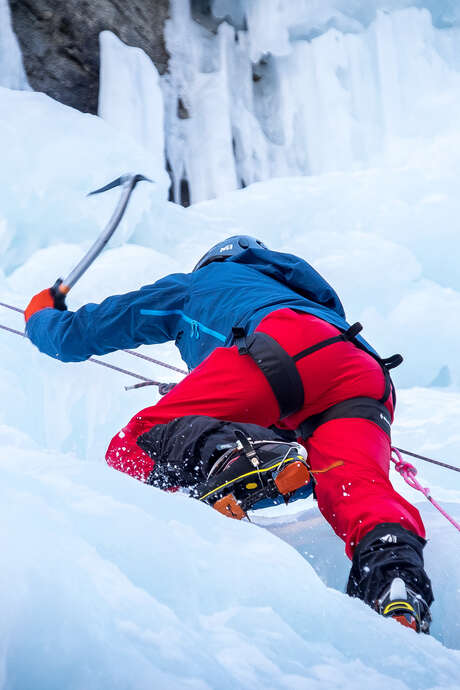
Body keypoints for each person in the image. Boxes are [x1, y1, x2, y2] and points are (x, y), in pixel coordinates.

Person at [24, 235, 433, 632]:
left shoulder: (199, 284)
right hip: (364, 373)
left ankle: (225, 456)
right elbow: (301, 467)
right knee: (355, 487)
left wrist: (41, 316)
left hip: (280, 345)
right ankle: (396, 582)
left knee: (134, 445)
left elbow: (83, 333)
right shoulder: (305, 297)